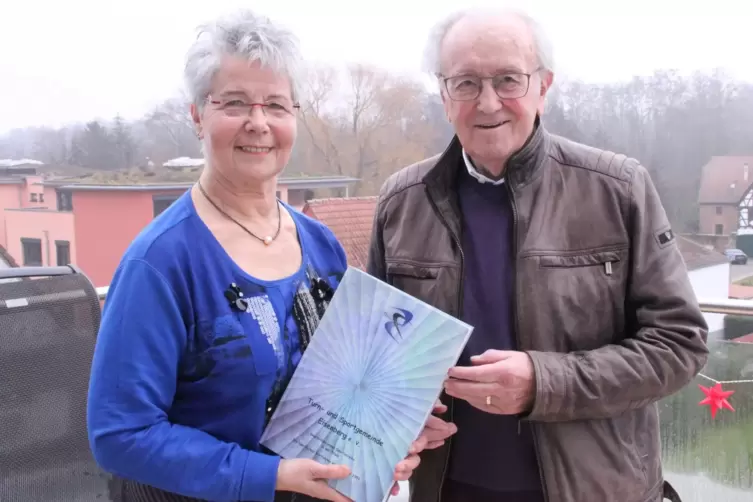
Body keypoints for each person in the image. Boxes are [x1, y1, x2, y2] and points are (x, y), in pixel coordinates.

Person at [87, 9, 432, 502]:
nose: (257, 122)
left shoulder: (321, 246)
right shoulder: (161, 263)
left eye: (276, 104)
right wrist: (268, 476)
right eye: (234, 103)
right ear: (196, 116)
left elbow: (345, 387)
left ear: (295, 116)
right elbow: (120, 435)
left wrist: (391, 437)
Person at [367, 7, 708, 502]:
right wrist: (399, 411)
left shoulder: (617, 189)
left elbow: (680, 344)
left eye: (508, 79)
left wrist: (543, 383)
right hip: (446, 489)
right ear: (443, 95)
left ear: (543, 86)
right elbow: (377, 356)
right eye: (465, 83)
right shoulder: (401, 202)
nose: (487, 103)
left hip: (595, 490)